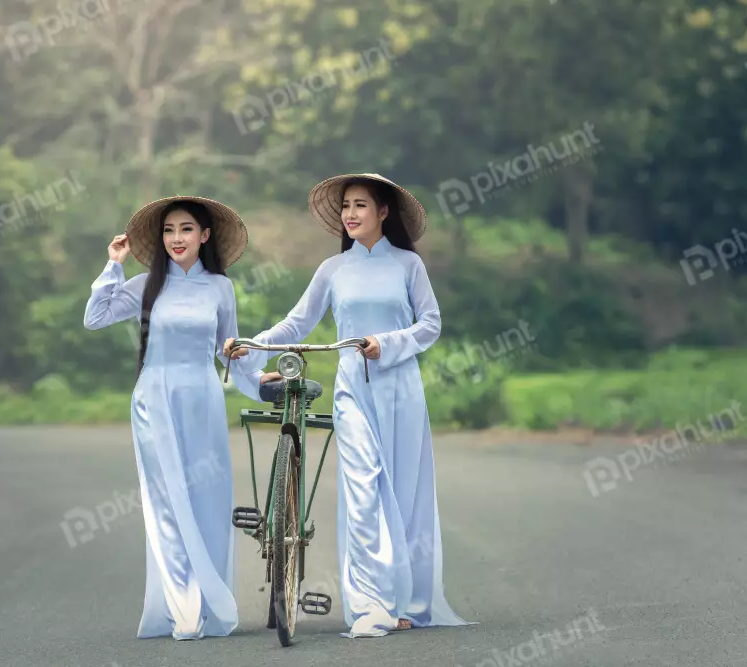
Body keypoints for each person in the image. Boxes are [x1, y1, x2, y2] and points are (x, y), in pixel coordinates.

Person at [225, 173, 474, 638]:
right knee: (362, 491)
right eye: (346, 206)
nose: (352, 213)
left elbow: (431, 324)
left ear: (384, 213)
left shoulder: (407, 266)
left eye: (362, 204)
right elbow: (297, 323)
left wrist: (389, 342)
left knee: (403, 494)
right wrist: (252, 345)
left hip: (400, 389)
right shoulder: (333, 269)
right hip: (352, 391)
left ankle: (406, 601)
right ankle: (369, 605)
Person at [84, 196, 263, 641]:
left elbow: (231, 351)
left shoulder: (221, 288)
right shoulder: (148, 284)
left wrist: (261, 382)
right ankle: (181, 607)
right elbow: (95, 317)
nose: (176, 238)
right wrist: (113, 265)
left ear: (205, 236)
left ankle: (205, 601)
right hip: (155, 400)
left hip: (203, 399)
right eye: (168, 230)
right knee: (166, 504)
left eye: (186, 229)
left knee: (207, 500)